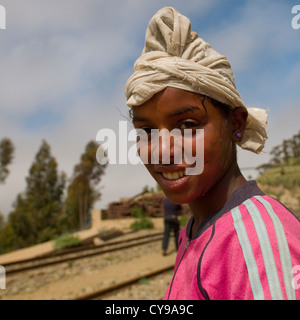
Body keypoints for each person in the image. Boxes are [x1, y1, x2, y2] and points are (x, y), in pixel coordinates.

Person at [125, 7, 300, 300]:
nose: (162, 150)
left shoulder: (259, 242)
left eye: (188, 124)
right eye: (147, 131)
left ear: (236, 124)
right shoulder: (197, 229)